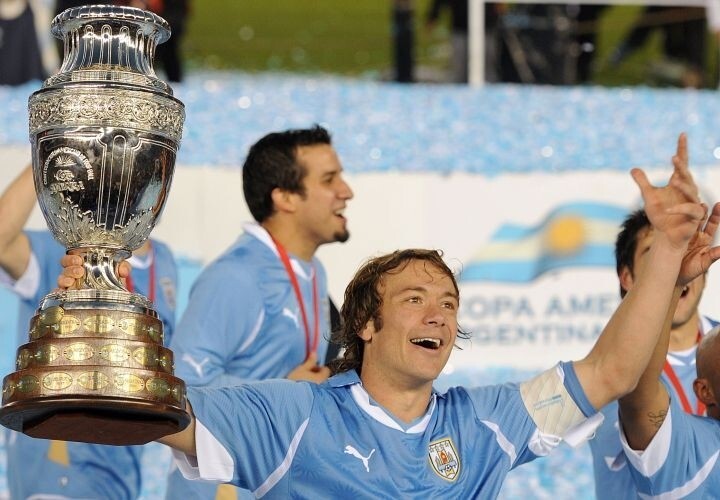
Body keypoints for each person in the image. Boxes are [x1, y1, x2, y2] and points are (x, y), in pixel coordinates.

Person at [68, 133, 714, 497]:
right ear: (367, 326)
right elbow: (151, 408)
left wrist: (665, 258)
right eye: (414, 299)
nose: (438, 313)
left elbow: (611, 371)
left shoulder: (486, 421)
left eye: (450, 303)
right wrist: (89, 309)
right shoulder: (294, 414)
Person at [146, 125, 350, 498]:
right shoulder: (237, 277)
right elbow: (177, 387)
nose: (346, 191)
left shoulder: (312, 272)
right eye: (329, 179)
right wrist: (287, 392)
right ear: (285, 197)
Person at [0, 164, 178, 499]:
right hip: (59, 464)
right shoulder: (63, 251)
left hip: (121, 464)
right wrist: (49, 154)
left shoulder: (164, 261)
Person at [588, 203, 719, 499]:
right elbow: (639, 400)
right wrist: (668, 286)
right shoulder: (604, 369)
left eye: (682, 250)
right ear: (627, 277)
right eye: (658, 254)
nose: (674, 262)